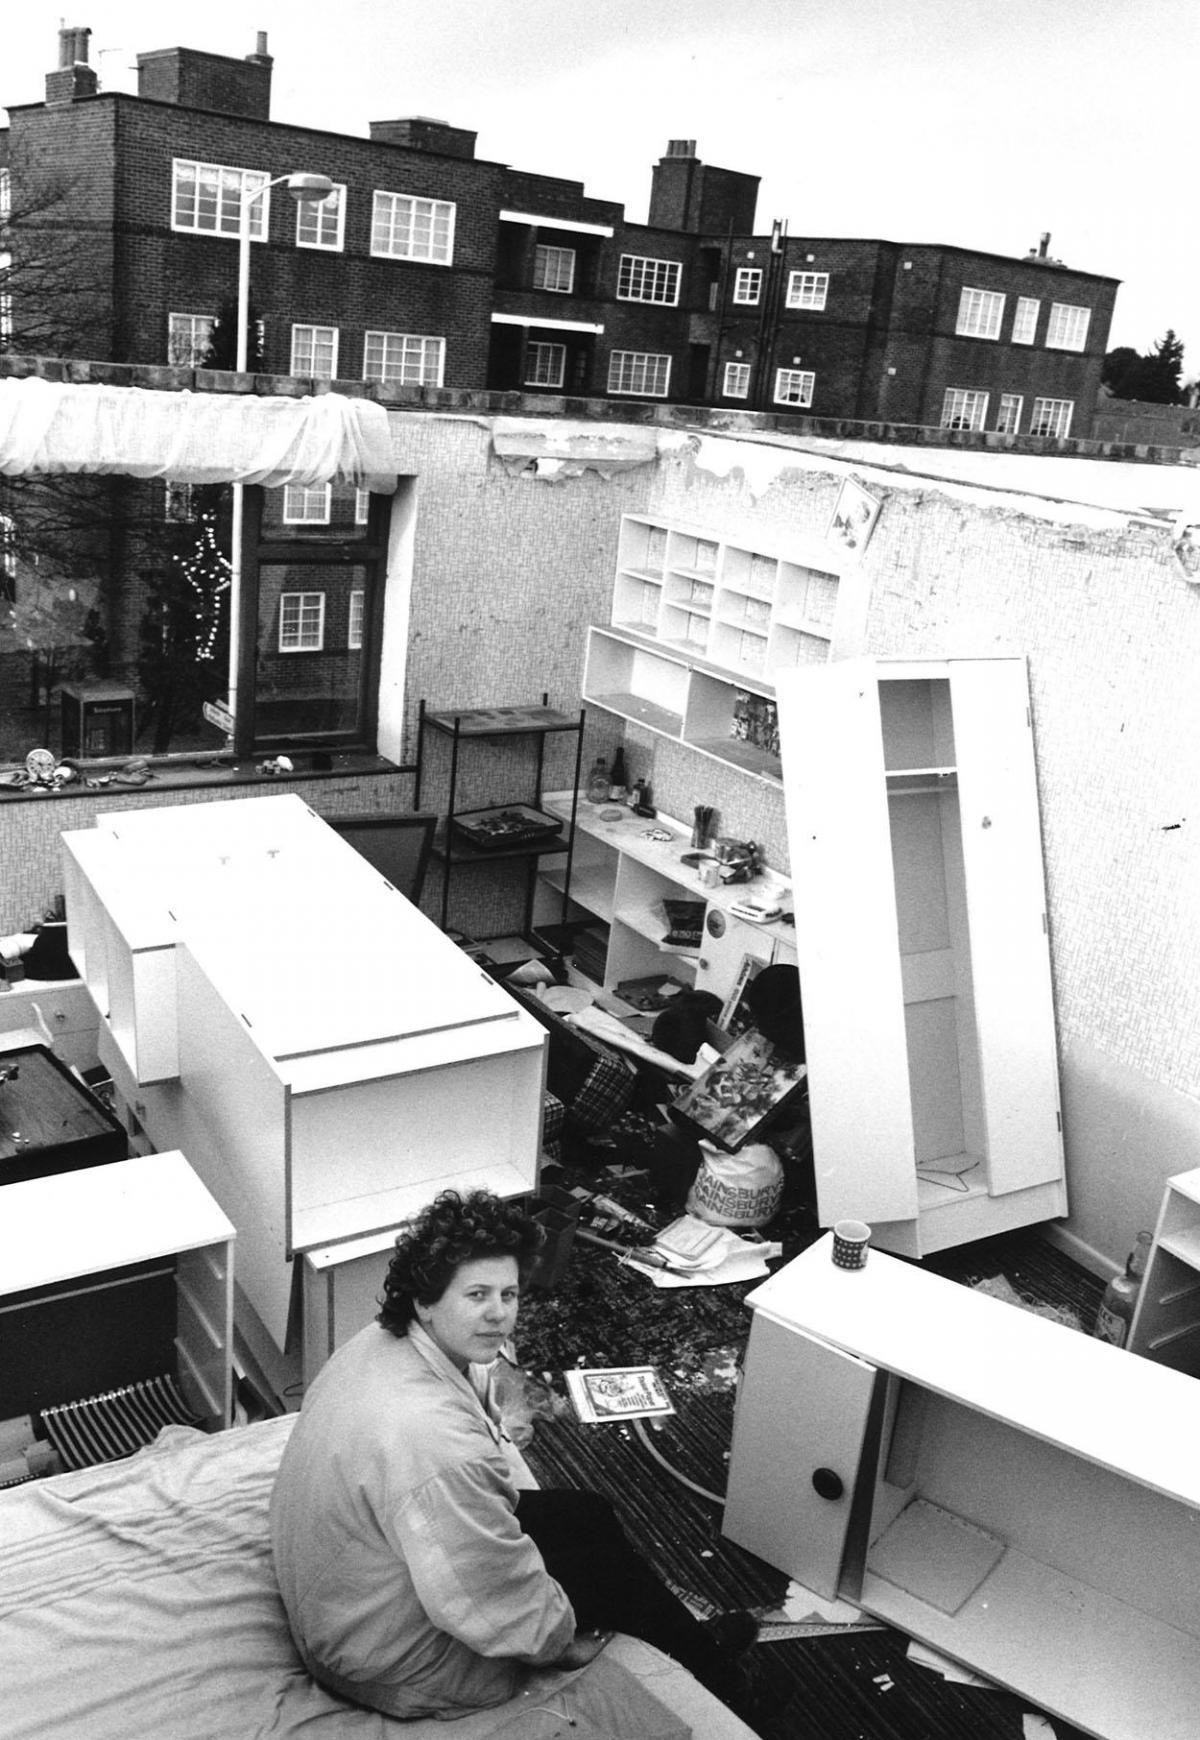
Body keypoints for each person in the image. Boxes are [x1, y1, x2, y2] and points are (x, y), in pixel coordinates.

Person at [269, 1188, 754, 1721]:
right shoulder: (434, 1444)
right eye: (476, 1295)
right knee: (604, 1570)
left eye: (510, 1294)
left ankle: (692, 1647)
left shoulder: (377, 1343)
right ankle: (728, 1684)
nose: (499, 1315)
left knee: (590, 1516)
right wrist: (559, 1643)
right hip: (381, 1656)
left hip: (349, 1591)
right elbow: (484, 1590)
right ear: (426, 1300)